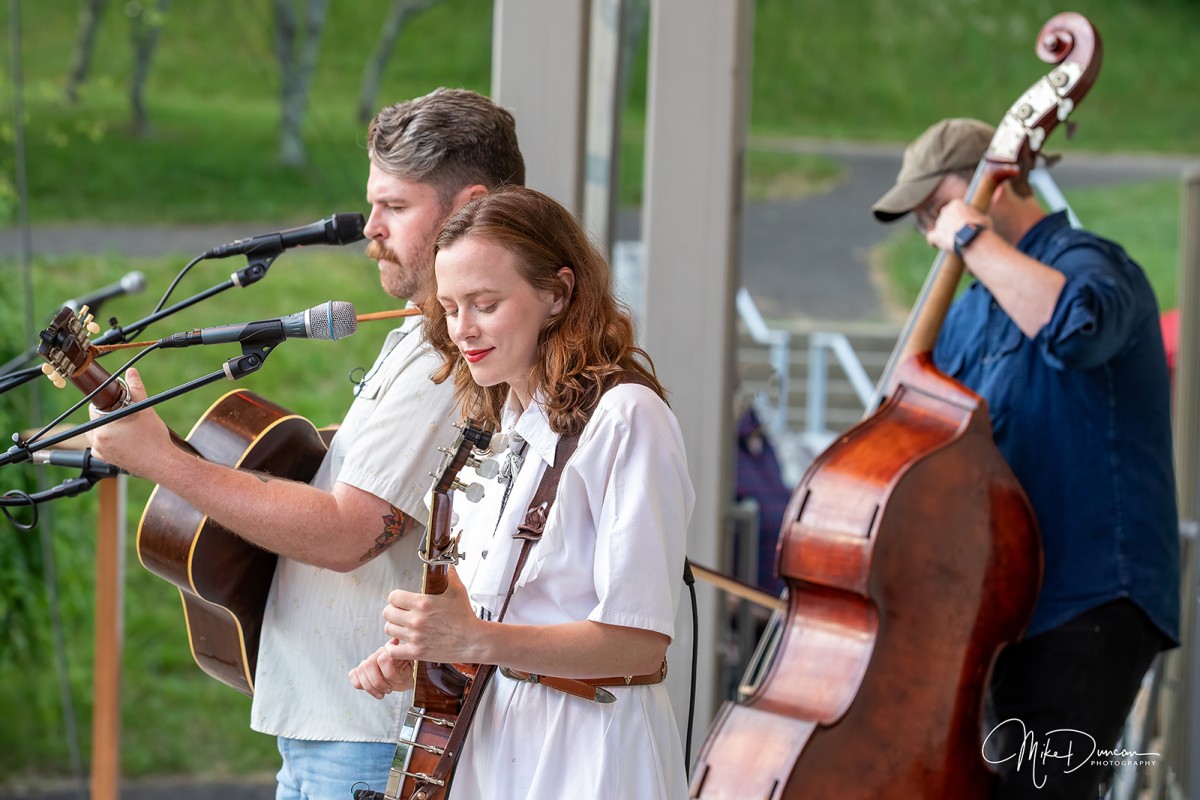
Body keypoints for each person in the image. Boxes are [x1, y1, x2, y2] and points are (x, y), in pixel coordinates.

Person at [86, 88, 525, 800]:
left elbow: (347, 534)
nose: (369, 228)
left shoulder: (452, 353)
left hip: (369, 733)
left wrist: (161, 461)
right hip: (340, 723)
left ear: (467, 206)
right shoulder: (421, 336)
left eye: (395, 207)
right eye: (371, 205)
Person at [348, 186, 694, 799]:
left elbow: (639, 644)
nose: (462, 330)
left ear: (558, 294)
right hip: (492, 742)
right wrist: (433, 655)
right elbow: (507, 621)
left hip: (591, 754)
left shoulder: (628, 418)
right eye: (450, 307)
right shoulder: (499, 423)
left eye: (485, 303)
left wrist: (472, 639)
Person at [872, 117, 1180, 799]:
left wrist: (968, 237)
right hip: (999, 608)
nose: (931, 229)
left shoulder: (1093, 262)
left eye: (938, 203)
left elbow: (1080, 325)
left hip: (1087, 594)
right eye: (925, 217)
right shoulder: (966, 315)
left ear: (999, 177)